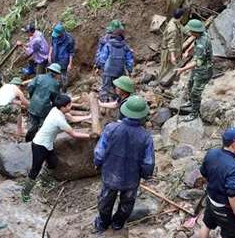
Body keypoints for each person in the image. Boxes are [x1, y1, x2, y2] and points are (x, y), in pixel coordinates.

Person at [93, 95, 154, 234]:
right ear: (142, 115)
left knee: (105, 201)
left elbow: (99, 151)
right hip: (132, 177)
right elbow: (148, 161)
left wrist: (97, 162)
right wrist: (146, 174)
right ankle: (118, 224)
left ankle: (102, 224)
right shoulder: (146, 137)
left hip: (111, 173)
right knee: (127, 203)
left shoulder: (111, 128)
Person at [21, 95, 94, 202]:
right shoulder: (58, 118)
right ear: (63, 107)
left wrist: (88, 117)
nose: (70, 106)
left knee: (53, 163)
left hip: (48, 144)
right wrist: (90, 136)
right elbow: (73, 133)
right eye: (69, 105)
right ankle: (25, 193)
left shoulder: (56, 110)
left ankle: (44, 182)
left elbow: (72, 118)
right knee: (35, 170)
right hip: (39, 145)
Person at [198, 127, 235, 238]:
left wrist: (215, 180)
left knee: (206, 225)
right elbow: (231, 192)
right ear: (234, 144)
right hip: (224, 207)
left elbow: (203, 172)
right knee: (229, 234)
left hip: (211, 200)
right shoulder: (234, 166)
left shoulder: (211, 153)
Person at [175, 19, 213, 122]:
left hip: (203, 72)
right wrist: (188, 51)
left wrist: (182, 69)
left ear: (195, 31)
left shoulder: (202, 44)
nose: (189, 32)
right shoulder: (202, 34)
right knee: (190, 84)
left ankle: (194, 113)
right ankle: (191, 102)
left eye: (190, 30)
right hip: (198, 70)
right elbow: (195, 42)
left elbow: (197, 62)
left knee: (196, 93)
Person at [26, 64, 62, 142]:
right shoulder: (55, 83)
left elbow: (30, 87)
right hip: (44, 108)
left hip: (33, 105)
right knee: (43, 126)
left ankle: (28, 140)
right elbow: (56, 98)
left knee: (32, 124)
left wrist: (32, 97)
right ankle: (39, 141)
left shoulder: (39, 77)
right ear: (56, 73)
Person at [97, 28, 134, 103]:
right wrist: (130, 70)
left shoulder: (108, 44)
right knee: (119, 86)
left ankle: (104, 102)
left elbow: (103, 56)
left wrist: (99, 66)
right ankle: (119, 101)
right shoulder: (125, 45)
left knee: (105, 87)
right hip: (120, 70)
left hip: (108, 69)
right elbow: (129, 59)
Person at [49, 24, 75, 93]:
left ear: (62, 32)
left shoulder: (69, 39)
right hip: (55, 58)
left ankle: (64, 91)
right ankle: (52, 90)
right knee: (52, 74)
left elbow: (71, 52)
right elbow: (52, 45)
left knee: (64, 77)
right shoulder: (54, 36)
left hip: (63, 60)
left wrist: (70, 64)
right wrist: (49, 55)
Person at [159, 8, 185, 78]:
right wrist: (172, 56)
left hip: (176, 49)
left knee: (171, 67)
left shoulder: (175, 22)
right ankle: (162, 82)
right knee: (166, 67)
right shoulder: (172, 29)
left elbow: (182, 29)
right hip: (169, 51)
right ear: (181, 16)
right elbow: (171, 43)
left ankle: (170, 80)